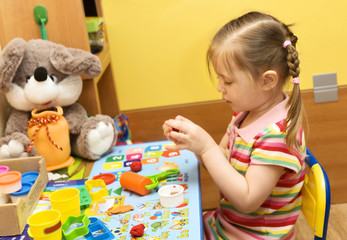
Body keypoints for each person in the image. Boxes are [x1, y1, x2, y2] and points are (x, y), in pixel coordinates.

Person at [162, 11, 306, 240]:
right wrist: (195, 144)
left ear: (267, 80)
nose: (220, 87)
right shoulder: (245, 113)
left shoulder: (277, 136)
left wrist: (207, 148)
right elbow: (223, 162)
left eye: (228, 81)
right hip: (226, 225)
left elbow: (247, 199)